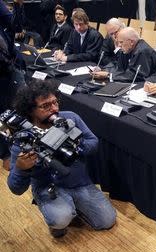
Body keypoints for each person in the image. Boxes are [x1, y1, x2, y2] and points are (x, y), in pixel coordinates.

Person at [7, 80, 116, 238]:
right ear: (30, 110)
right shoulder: (24, 139)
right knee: (59, 219)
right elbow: (15, 189)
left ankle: (74, 206)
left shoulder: (69, 118)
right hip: (49, 187)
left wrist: (76, 145)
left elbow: (93, 143)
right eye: (46, 106)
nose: (54, 108)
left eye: (55, 102)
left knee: (107, 221)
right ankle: (60, 212)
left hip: (79, 182)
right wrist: (21, 169)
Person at [1, 0, 26, 170]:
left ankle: (20, 145)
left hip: (9, 67)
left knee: (19, 106)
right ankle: (4, 153)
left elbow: (16, 27)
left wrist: (18, 5)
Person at [91, 27, 156, 82]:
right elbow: (118, 66)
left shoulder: (142, 51)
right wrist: (103, 70)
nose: (119, 45)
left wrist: (108, 75)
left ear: (131, 42)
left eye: (121, 42)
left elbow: (136, 76)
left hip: (154, 84)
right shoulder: (128, 48)